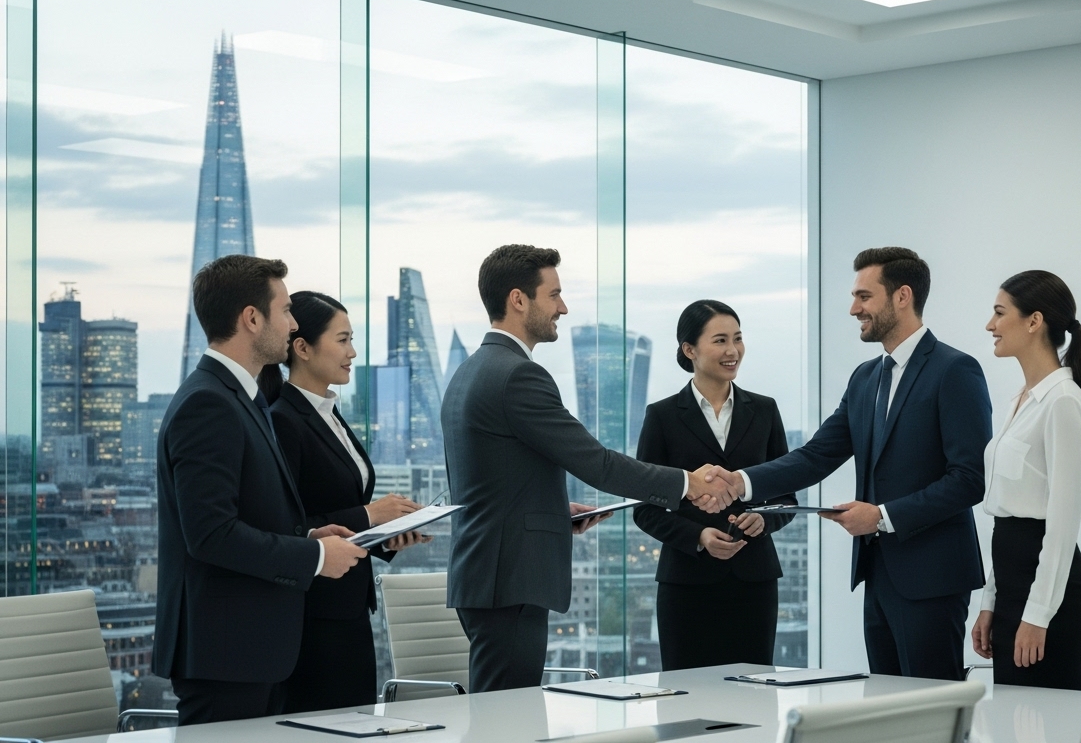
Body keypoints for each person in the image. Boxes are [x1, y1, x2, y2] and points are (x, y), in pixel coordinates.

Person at [442, 244, 740, 693]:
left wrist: (553, 509)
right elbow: (596, 463)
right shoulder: (518, 375)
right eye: (554, 294)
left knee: (501, 714)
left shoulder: (470, 371)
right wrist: (686, 482)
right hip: (511, 579)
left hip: (488, 574)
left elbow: (489, 481)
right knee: (504, 721)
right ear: (518, 300)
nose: (563, 307)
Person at [705, 247, 991, 681]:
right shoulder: (866, 378)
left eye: (864, 296)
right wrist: (741, 481)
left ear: (902, 297)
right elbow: (816, 455)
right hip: (878, 575)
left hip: (933, 577)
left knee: (931, 710)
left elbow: (970, 480)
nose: (853, 308)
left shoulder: (955, 371)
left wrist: (881, 516)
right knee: (886, 709)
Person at [153, 256, 368, 724]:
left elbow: (245, 514)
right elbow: (210, 534)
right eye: (286, 310)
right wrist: (312, 559)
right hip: (225, 654)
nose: (293, 324)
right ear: (252, 318)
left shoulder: (240, 397)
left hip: (251, 650)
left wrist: (308, 538)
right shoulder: (208, 403)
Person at [258, 291, 430, 712]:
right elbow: (289, 523)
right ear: (302, 347)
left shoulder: (328, 413)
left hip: (350, 606)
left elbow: (340, 509)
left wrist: (385, 538)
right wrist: (371, 514)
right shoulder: (283, 420)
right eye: (342, 340)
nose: (352, 352)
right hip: (314, 615)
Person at [633, 300, 798, 670]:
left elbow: (787, 495)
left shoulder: (765, 410)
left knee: (754, 695)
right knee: (687, 699)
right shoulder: (661, 417)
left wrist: (764, 521)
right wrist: (698, 536)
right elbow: (645, 510)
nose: (732, 351)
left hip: (754, 581)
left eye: (738, 339)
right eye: (720, 340)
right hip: (687, 584)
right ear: (689, 350)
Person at [970, 271, 1081, 691]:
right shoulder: (1023, 400)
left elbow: (1063, 524)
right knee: (1015, 722)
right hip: (1013, 585)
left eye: (999, 313)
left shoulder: (1063, 402)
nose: (990, 325)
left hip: (1048, 598)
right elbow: (1006, 518)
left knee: (1040, 726)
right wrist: (990, 601)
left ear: (1034, 321)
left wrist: (1038, 614)